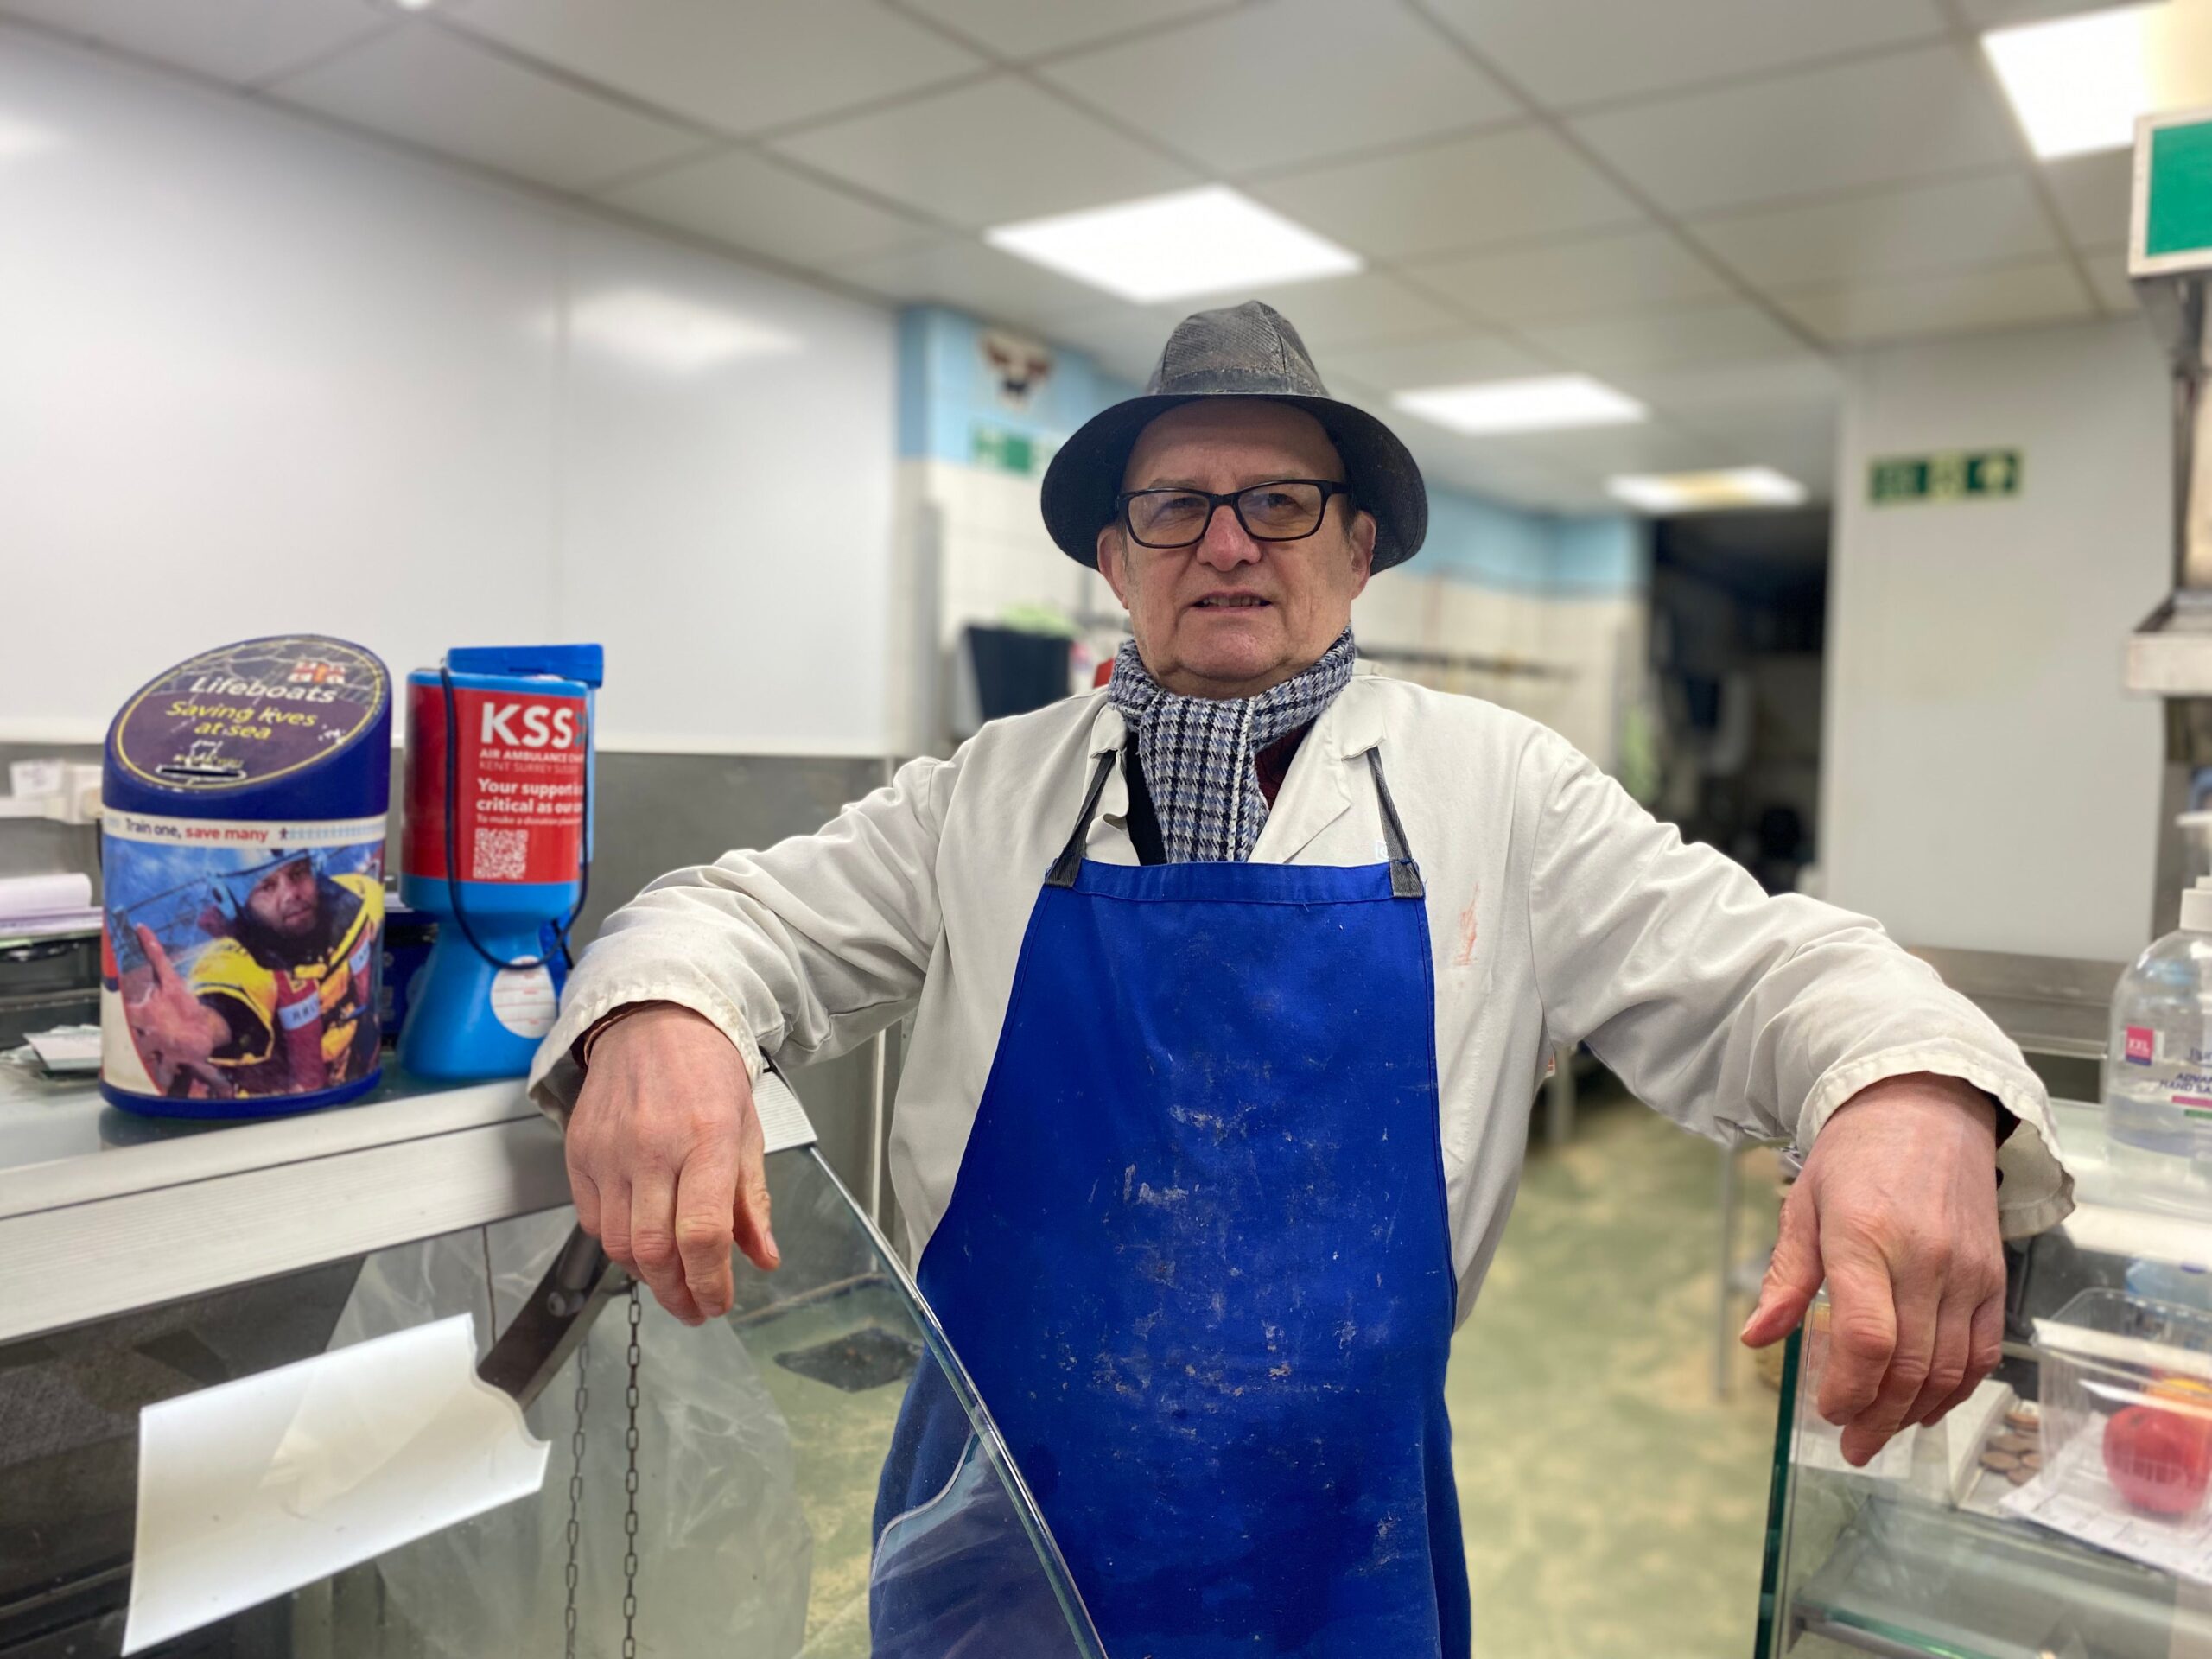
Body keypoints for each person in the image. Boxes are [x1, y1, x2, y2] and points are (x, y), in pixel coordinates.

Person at [531, 302, 2073, 1657]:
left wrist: (1908, 1092)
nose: (1226, 542)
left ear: (1358, 547)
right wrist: (668, 1011)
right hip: (999, 1520)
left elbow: (1771, 976)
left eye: (1280, 501)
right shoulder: (981, 795)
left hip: (1348, 1552)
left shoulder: (1497, 794)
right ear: (1114, 557)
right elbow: (733, 922)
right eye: (1176, 507)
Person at [125, 850, 382, 1098]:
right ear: (232, 901)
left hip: (357, 1081)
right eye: (267, 887)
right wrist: (203, 1026)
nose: (291, 895)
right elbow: (227, 1004)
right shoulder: (240, 960)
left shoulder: (359, 896)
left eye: (298, 873)